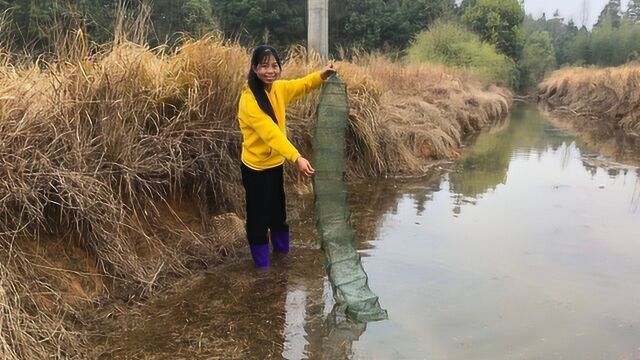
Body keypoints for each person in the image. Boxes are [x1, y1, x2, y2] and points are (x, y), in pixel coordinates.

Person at [238, 45, 336, 269]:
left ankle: (283, 259)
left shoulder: (278, 89)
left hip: (274, 165)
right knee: (258, 218)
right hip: (255, 169)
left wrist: (321, 75)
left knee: (278, 212)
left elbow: (301, 85)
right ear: (254, 68)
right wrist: (297, 157)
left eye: (274, 65)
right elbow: (272, 134)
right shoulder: (249, 100)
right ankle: (262, 269)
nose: (270, 71)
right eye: (264, 66)